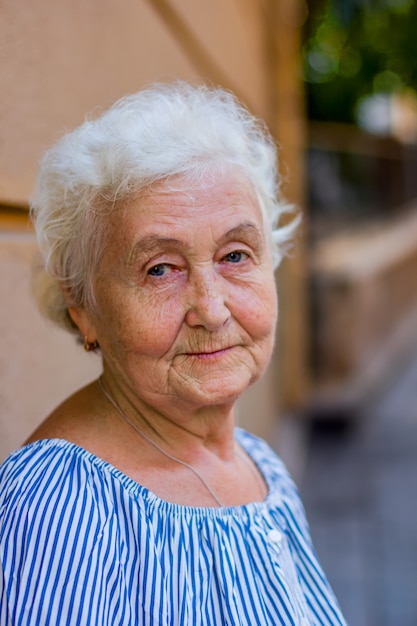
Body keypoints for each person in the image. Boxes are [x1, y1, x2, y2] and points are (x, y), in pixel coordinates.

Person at [0, 82, 345, 625]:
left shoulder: (260, 465)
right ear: (82, 306)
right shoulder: (56, 509)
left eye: (235, 255)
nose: (211, 308)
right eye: (160, 269)